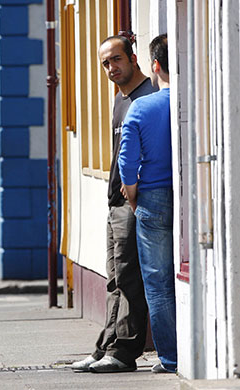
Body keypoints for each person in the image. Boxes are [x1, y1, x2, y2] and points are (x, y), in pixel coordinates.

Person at [70, 33, 157, 373]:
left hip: (134, 202)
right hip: (115, 202)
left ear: (133, 58)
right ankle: (105, 346)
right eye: (105, 63)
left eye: (116, 59)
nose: (110, 67)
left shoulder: (145, 97)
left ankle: (124, 352)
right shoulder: (121, 98)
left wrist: (133, 193)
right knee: (114, 277)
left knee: (128, 275)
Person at [118, 33, 176, 374]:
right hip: (191, 195)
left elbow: (127, 160)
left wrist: (133, 192)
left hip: (152, 197)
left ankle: (171, 357)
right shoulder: (196, 101)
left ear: (154, 65)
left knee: (157, 280)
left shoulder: (142, 106)